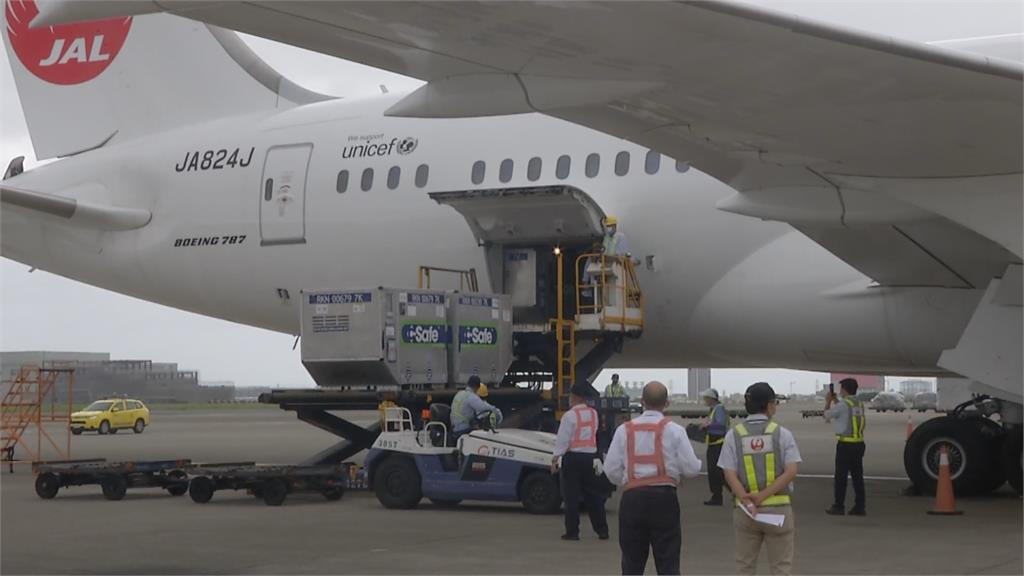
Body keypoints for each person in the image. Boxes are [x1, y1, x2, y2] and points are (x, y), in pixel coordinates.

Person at [604, 381, 701, 576]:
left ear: (642, 402)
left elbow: (611, 469)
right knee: (668, 562)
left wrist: (627, 480)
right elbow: (691, 469)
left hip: (633, 499)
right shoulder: (675, 430)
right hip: (664, 499)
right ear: (667, 403)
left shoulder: (624, 430)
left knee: (631, 563)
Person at [718, 382, 801, 576]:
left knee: (744, 566)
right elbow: (790, 472)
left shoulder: (734, 435)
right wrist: (762, 496)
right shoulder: (782, 434)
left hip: (746, 511)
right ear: (770, 405)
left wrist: (747, 499)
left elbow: (728, 473)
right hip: (778, 510)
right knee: (781, 567)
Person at [551, 383, 610, 541]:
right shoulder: (593, 414)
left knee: (571, 497)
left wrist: (555, 459)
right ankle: (602, 530)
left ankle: (573, 532)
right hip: (590, 458)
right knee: (594, 497)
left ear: (575, 397)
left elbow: (562, 440)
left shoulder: (569, 416)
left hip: (573, 459)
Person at [823, 377, 866, 516]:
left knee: (840, 478)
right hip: (858, 444)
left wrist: (828, 401)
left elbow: (827, 415)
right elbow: (844, 413)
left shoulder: (842, 405)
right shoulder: (857, 403)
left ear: (844, 389)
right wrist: (836, 401)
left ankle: (838, 506)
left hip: (845, 445)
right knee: (857, 477)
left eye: (841, 388)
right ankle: (860, 507)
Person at [699, 388, 730, 505]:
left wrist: (706, 427)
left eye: (705, 398)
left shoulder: (719, 409)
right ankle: (717, 496)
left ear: (710, 399)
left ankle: (734, 492)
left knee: (718, 471)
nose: (704, 400)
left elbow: (720, 426)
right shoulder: (714, 409)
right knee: (714, 472)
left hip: (718, 445)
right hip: (713, 444)